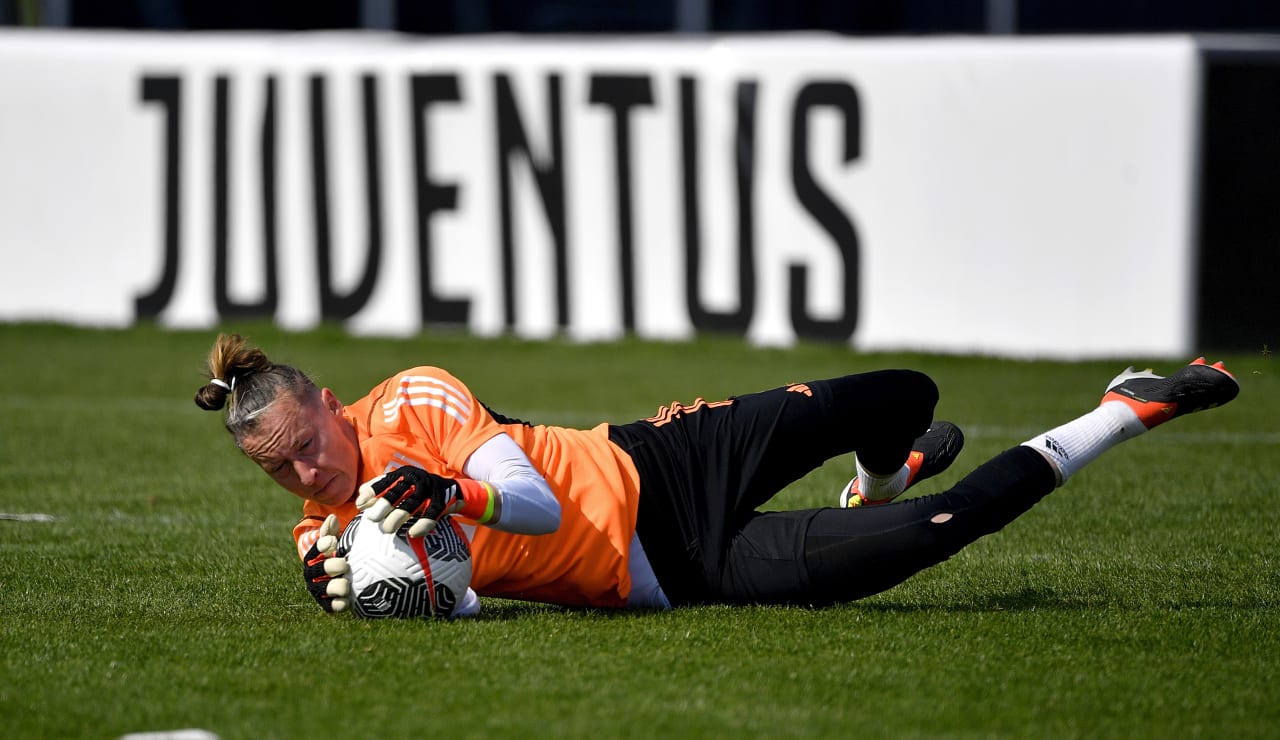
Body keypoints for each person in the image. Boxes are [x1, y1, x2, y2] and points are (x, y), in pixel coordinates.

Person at [193, 334, 1239, 616]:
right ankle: (1121, 406)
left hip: (657, 460)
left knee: (896, 391)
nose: (309, 474)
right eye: (280, 472)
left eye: (308, 443)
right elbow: (461, 601)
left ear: (329, 401)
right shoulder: (324, 539)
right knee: (929, 534)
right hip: (677, 570)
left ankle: (878, 469)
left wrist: (448, 493)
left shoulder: (411, 401)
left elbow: (532, 501)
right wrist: (395, 603)